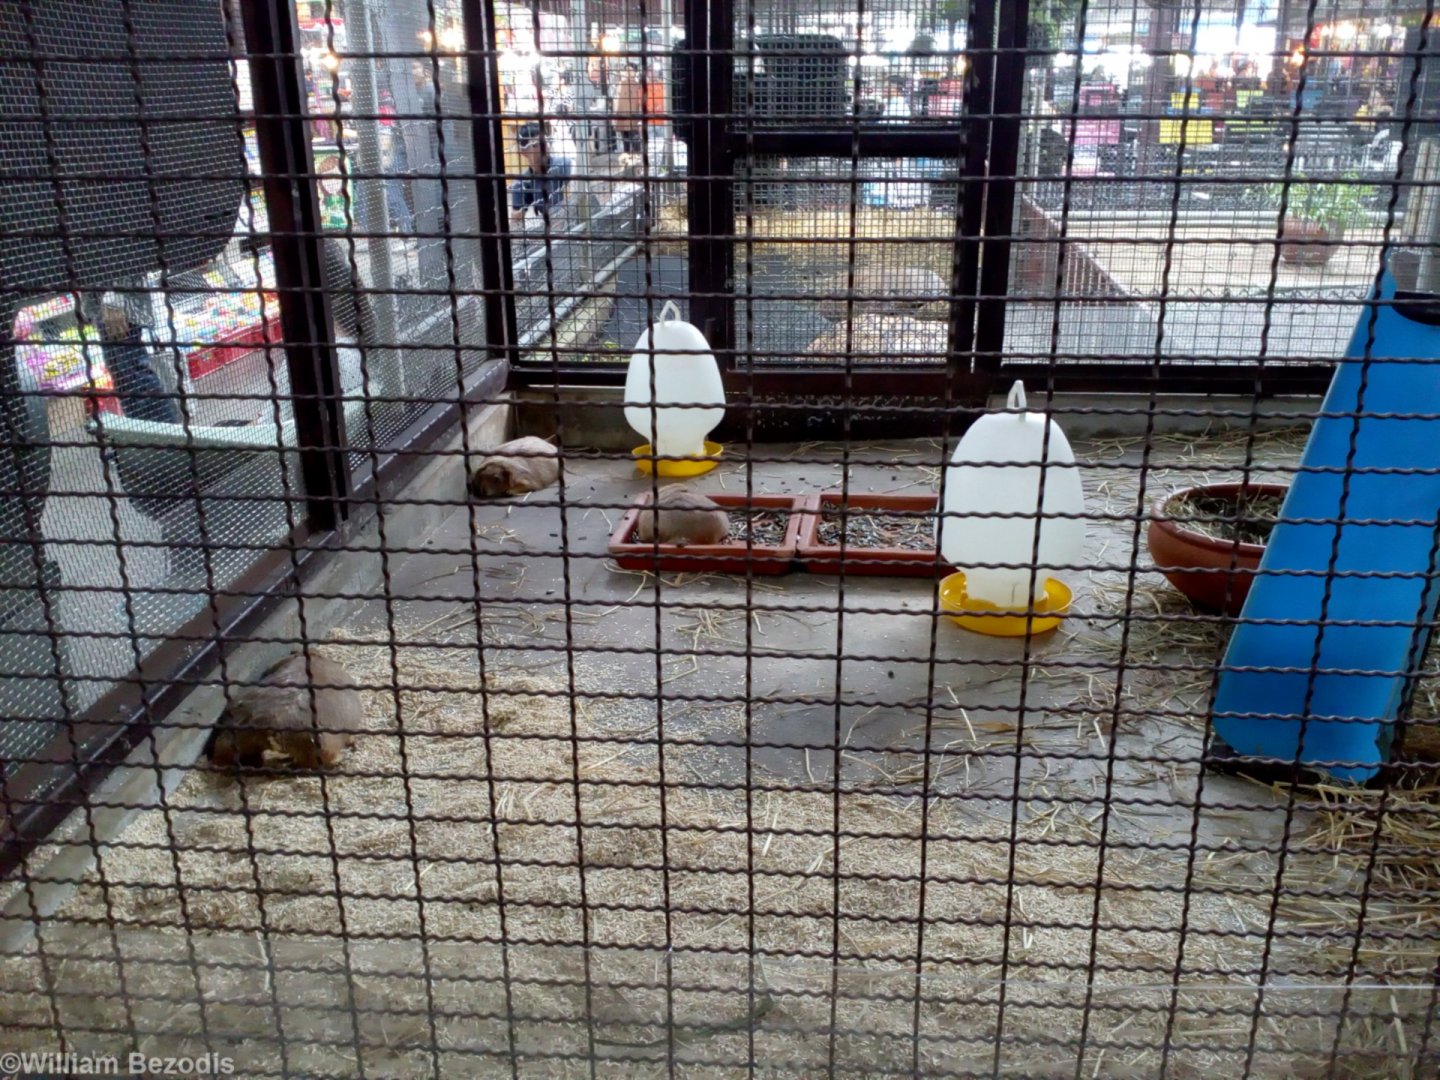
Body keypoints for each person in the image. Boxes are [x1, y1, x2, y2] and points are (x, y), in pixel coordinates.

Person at [94, 295, 182, 425]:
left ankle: (168, 430)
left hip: (118, 303)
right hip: (100, 302)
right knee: (122, 376)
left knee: (133, 374)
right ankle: (145, 430)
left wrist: (113, 300)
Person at [510, 122, 572, 227]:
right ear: (523, 152)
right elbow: (516, 221)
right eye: (536, 145)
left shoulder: (564, 165)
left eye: (545, 141)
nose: (545, 147)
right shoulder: (521, 183)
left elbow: (579, 199)